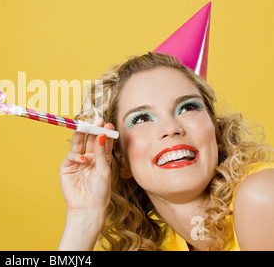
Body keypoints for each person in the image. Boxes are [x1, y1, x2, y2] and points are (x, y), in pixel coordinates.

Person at [57, 52, 274, 251]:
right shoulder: (164, 246)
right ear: (120, 160)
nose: (171, 128)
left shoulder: (263, 195)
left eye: (187, 107)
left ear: (217, 132)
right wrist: (83, 217)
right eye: (141, 118)